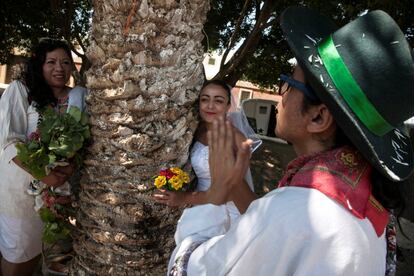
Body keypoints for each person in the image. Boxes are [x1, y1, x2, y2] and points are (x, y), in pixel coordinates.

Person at [172, 7, 414, 276]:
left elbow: (191, 268)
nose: (282, 96)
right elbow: (266, 228)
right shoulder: (366, 201)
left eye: (288, 83)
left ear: (318, 117)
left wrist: (215, 197)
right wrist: (232, 182)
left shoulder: (297, 212)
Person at [152, 80, 261, 274]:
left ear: (228, 106)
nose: (210, 106)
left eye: (218, 101)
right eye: (205, 99)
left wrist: (184, 198)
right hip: (201, 204)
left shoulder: (235, 138)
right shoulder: (199, 129)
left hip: (223, 210)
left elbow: (230, 189)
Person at [0, 38, 87, 276]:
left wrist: (67, 171)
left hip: (60, 191)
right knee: (19, 257)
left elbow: (84, 140)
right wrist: (44, 175)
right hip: (21, 190)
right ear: (39, 65)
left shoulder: (78, 96)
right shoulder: (21, 91)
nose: (59, 68)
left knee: (50, 257)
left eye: (65, 62)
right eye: (51, 62)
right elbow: (9, 141)